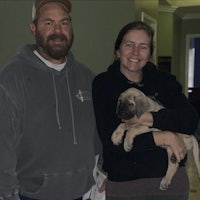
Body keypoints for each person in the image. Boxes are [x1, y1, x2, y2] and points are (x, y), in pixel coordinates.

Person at [0, 0, 102, 200]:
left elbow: (99, 134)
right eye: (48, 23)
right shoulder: (12, 78)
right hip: (31, 195)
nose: (58, 30)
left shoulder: (87, 77)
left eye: (64, 23)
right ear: (33, 28)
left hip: (83, 194)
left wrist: (103, 173)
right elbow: (3, 147)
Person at [92, 21, 199, 200]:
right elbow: (113, 143)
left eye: (143, 46)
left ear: (149, 54)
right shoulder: (103, 84)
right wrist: (165, 137)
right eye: (129, 45)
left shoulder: (165, 82)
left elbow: (190, 120)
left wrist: (149, 118)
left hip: (172, 184)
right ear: (117, 50)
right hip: (126, 186)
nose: (135, 52)